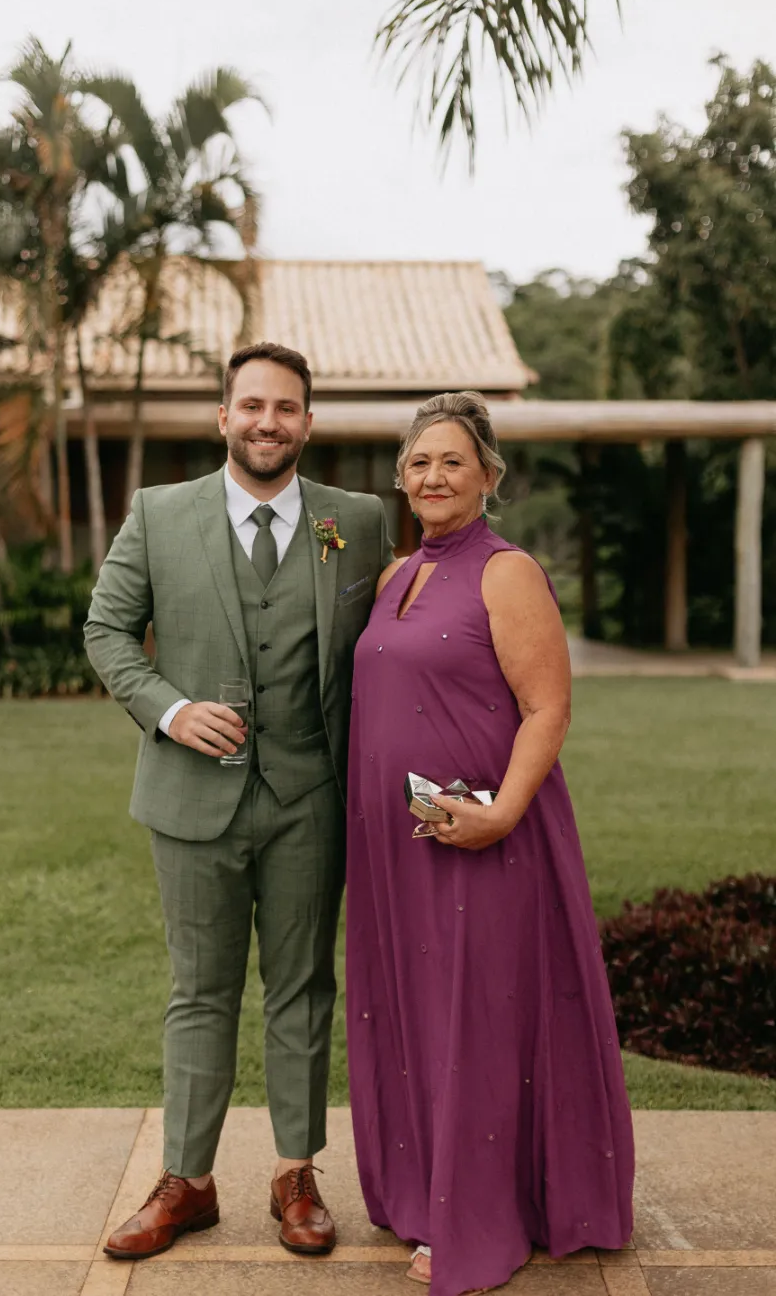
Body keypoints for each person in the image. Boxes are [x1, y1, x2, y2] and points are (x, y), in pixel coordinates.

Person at [85, 341, 394, 1261]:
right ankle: (189, 1179)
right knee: (199, 992)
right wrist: (170, 711)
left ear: (308, 421)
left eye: (287, 407)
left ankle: (294, 1172)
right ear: (223, 417)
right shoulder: (159, 513)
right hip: (189, 803)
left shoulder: (361, 521)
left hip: (311, 799)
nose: (269, 422)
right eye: (251, 405)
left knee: (303, 988)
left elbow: (398, 636)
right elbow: (107, 629)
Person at [345, 392, 634, 1296]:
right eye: (419, 463)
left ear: (489, 477)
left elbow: (549, 706)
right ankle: (425, 1191)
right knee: (418, 1013)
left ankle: (472, 1218)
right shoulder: (396, 575)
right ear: (402, 478)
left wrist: (503, 811)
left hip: (485, 837)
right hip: (397, 841)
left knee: (476, 1018)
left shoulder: (507, 571)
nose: (433, 477)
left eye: (452, 461)